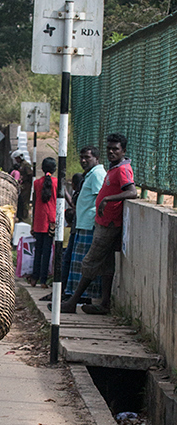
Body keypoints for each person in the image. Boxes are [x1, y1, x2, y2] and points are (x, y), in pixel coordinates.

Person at [60, 134, 137, 314]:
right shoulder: (113, 168)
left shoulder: (123, 169)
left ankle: (72, 302)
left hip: (109, 223)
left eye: (115, 149)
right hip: (103, 221)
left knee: (89, 261)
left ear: (123, 151)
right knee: (106, 264)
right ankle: (104, 303)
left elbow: (132, 192)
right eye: (109, 148)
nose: (111, 152)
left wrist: (107, 199)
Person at [63, 146, 106, 303]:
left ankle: (83, 297)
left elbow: (99, 199)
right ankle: (77, 296)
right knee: (78, 263)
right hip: (83, 224)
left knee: (85, 264)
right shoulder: (90, 174)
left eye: (87, 157)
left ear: (96, 158)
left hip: (90, 225)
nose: (83, 160)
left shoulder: (97, 175)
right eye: (81, 157)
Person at [29, 157, 57, 288]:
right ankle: (44, 281)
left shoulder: (37, 183)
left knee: (38, 251)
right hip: (51, 221)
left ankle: (34, 278)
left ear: (42, 168)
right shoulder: (57, 183)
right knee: (47, 252)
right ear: (55, 169)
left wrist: (33, 223)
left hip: (39, 221)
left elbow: (34, 203)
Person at [11, 149, 33, 221]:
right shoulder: (20, 165)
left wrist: (25, 181)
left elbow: (30, 174)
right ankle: (20, 216)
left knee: (24, 201)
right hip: (22, 185)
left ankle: (24, 217)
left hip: (26, 186)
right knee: (20, 201)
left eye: (17, 158)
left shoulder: (26, 165)